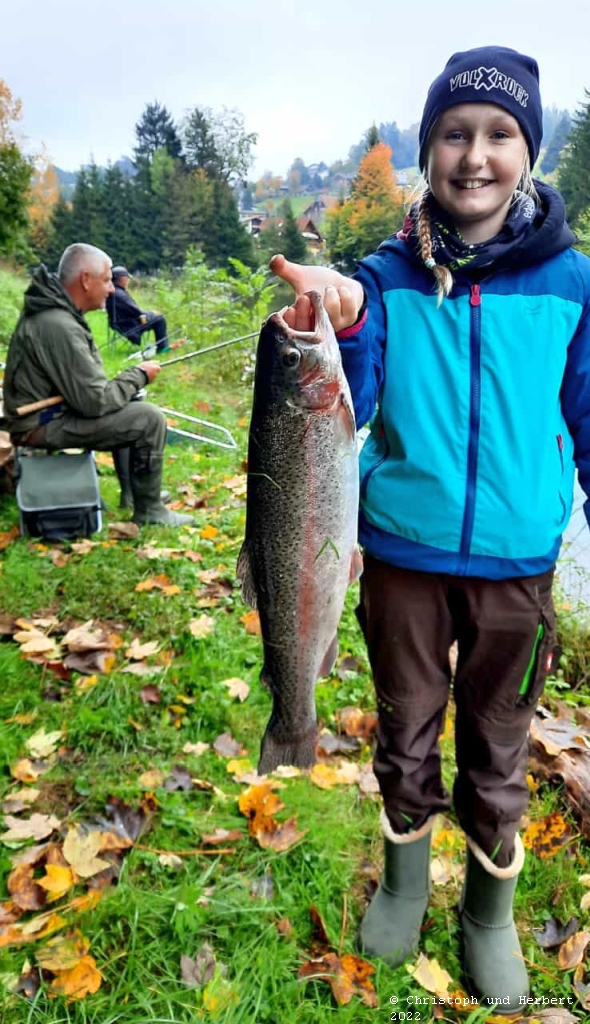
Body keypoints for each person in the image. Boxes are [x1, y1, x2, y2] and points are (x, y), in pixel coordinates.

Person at [271, 45, 590, 1015]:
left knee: (499, 742)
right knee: (406, 726)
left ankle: (488, 914)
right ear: (426, 151)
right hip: (401, 555)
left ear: (527, 152)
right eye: (453, 133)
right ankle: (404, 883)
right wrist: (338, 319)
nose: (474, 155)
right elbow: (352, 397)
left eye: (497, 134)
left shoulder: (571, 282)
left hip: (519, 562)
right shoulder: (382, 276)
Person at [4, 243, 192, 528]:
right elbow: (96, 403)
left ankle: (134, 496)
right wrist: (138, 375)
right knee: (148, 418)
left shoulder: (57, 314)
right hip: (36, 426)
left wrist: (127, 384)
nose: (112, 289)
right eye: (106, 280)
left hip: (47, 415)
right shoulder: (57, 324)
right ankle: (151, 510)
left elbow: (90, 392)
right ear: (85, 280)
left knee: (128, 401)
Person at [106, 266, 171, 354]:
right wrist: (152, 313)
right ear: (122, 278)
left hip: (117, 323)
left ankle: (161, 346)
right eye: (127, 278)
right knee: (160, 318)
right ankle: (162, 348)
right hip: (130, 325)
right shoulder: (120, 294)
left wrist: (149, 313)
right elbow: (137, 312)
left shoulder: (112, 291)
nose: (128, 280)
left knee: (155, 316)